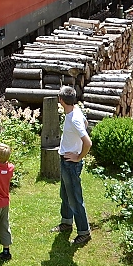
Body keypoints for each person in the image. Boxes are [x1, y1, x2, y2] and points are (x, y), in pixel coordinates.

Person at [52, 85, 92, 245]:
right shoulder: (75, 110)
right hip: (66, 161)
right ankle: (66, 222)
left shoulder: (74, 119)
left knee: (75, 198)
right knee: (65, 194)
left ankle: (84, 232)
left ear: (61, 100)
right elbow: (86, 123)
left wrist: (78, 156)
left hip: (71, 164)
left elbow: (88, 142)